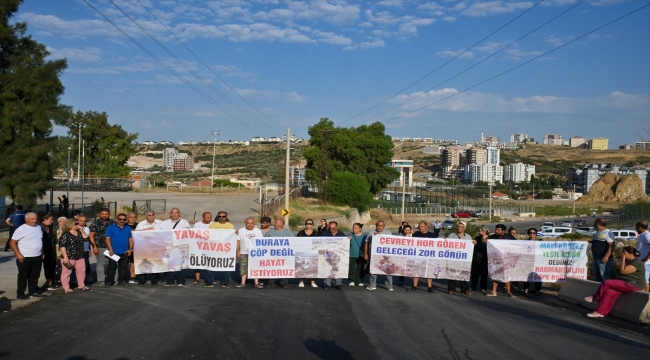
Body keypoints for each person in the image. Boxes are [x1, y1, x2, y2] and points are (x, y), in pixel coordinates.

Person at [585, 246, 647, 318]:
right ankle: (600, 312)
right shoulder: (627, 260)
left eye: (624, 252)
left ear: (631, 254)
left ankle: (596, 297)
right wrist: (624, 259)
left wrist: (623, 259)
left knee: (607, 282)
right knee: (609, 292)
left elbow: (623, 271)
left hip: (633, 284)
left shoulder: (637, 262)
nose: (622, 254)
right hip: (624, 282)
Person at [9, 212, 44, 299]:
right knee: (23, 275)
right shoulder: (21, 229)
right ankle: (20, 293)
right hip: (25, 257)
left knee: (35, 275)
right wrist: (18, 254)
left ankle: (33, 291)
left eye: (36, 219)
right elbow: (12, 242)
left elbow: (39, 240)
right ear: (26, 219)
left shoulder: (38, 227)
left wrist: (42, 252)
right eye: (32, 219)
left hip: (37, 256)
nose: (35, 220)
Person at [160, 208, 191, 286]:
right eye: (173, 213)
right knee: (170, 264)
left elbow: (189, 233)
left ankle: (181, 281)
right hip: (169, 247)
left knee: (180, 264)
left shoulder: (184, 222)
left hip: (180, 247)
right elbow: (154, 229)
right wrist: (139, 232)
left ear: (179, 214)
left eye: (176, 213)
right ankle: (170, 281)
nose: (174, 214)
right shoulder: (165, 223)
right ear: (170, 214)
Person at [59, 218, 90, 293]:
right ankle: (66, 287)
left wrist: (82, 230)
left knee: (81, 270)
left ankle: (81, 285)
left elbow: (86, 239)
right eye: (76, 224)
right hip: (69, 256)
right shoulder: (65, 234)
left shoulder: (79, 233)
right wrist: (65, 257)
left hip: (79, 255)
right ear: (70, 225)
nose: (78, 225)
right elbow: (62, 246)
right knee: (67, 272)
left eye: (78, 223)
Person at [486, 224, 516, 297]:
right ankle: (493, 292)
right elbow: (486, 242)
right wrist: (486, 235)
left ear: (503, 231)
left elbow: (516, 246)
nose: (496, 231)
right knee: (495, 275)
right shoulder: (493, 237)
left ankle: (508, 292)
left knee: (507, 276)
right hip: (495, 260)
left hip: (507, 260)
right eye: (496, 229)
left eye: (498, 230)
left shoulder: (509, 237)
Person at [104, 213, 134, 287]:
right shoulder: (111, 228)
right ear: (116, 219)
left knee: (123, 268)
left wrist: (130, 249)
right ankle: (109, 281)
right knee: (111, 268)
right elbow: (107, 239)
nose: (122, 221)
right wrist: (110, 249)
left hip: (125, 252)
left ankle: (122, 281)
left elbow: (131, 239)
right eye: (120, 219)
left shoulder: (129, 228)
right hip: (113, 252)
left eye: (124, 219)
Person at [134, 210, 163, 285]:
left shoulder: (160, 222)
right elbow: (137, 234)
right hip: (144, 246)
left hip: (156, 246)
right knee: (143, 263)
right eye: (149, 215)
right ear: (146, 216)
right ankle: (142, 280)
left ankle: (154, 280)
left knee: (155, 262)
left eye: (152, 215)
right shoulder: (141, 224)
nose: (151, 216)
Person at [364, 220, 394, 291]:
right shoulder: (371, 233)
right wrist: (366, 253)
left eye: (381, 226)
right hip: (374, 255)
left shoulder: (388, 233)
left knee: (388, 271)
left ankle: (389, 286)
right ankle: (372, 285)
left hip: (386, 255)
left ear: (384, 226)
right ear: (376, 226)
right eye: (378, 226)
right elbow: (366, 243)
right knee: (373, 271)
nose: (380, 227)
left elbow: (392, 242)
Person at [208, 211, 235, 288]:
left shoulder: (230, 226)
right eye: (219, 216)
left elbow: (231, 237)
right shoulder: (212, 225)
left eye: (223, 216)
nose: (221, 218)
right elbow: (209, 236)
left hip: (226, 249)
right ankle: (210, 281)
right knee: (211, 264)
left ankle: (225, 282)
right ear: (217, 217)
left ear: (226, 217)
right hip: (214, 249)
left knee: (226, 265)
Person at [89, 208, 115, 286]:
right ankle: (101, 280)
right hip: (100, 246)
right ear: (99, 214)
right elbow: (91, 236)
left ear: (109, 214)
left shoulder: (113, 223)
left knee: (114, 263)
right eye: (102, 214)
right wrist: (94, 247)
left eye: (106, 214)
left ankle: (114, 279)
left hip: (112, 246)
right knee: (101, 264)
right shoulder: (95, 223)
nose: (104, 215)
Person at [265, 218, 294, 289]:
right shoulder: (270, 232)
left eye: (275, 222)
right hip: (272, 255)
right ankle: (270, 282)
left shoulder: (288, 233)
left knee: (284, 269)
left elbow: (293, 243)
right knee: (272, 268)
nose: (274, 224)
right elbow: (264, 242)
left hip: (284, 255)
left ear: (281, 224)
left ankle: (284, 283)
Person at [235, 217, 264, 288]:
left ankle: (256, 283)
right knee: (243, 267)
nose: (250, 225)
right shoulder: (241, 231)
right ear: (245, 223)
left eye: (251, 223)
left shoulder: (258, 231)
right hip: (243, 252)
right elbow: (238, 241)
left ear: (254, 224)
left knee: (255, 267)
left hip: (255, 253)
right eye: (248, 223)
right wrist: (237, 251)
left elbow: (261, 242)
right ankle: (242, 283)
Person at [447, 221, 472, 295]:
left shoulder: (468, 237)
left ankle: (464, 289)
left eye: (461, 226)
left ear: (464, 228)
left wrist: (474, 243)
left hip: (463, 259)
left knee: (463, 274)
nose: (459, 228)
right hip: (453, 258)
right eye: (458, 226)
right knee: (452, 274)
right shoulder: (451, 235)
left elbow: (470, 247)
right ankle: (451, 289)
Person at [411, 221, 436, 293]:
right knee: (416, 271)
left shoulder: (432, 235)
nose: (420, 228)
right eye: (419, 227)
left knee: (429, 272)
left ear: (426, 227)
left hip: (428, 257)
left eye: (422, 226)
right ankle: (414, 286)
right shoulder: (415, 234)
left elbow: (437, 245)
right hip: (417, 256)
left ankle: (430, 287)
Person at [321, 221, 346, 290]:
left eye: (333, 229)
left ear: (336, 227)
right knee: (327, 268)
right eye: (330, 228)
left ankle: (338, 284)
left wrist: (348, 240)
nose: (331, 230)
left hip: (338, 254)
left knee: (337, 267)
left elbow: (345, 244)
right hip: (328, 254)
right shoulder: (324, 234)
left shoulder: (341, 234)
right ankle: (327, 284)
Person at [296, 218, 319, 288]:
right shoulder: (300, 233)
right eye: (307, 223)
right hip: (302, 252)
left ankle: (312, 281)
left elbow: (318, 242)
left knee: (312, 267)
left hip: (312, 253)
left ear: (313, 225)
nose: (308, 225)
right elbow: (296, 241)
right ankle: (301, 281)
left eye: (310, 224)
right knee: (302, 266)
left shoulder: (316, 233)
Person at [191, 212, 213, 285]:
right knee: (197, 263)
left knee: (210, 262)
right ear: (203, 217)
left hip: (210, 247)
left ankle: (210, 279)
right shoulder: (197, 225)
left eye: (210, 217)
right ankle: (197, 278)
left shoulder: (213, 224)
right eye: (207, 217)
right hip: (199, 246)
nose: (209, 219)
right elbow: (193, 235)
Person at [591, 218, 614, 282]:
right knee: (597, 276)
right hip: (596, 257)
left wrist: (606, 256)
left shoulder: (608, 233)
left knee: (604, 276)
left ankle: (608, 290)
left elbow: (611, 245)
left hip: (603, 258)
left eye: (595, 222)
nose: (594, 224)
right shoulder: (597, 232)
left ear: (598, 224)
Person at [40, 214, 57, 291]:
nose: (52, 221)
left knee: (50, 267)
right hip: (41, 250)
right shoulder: (39, 227)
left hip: (50, 249)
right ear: (45, 219)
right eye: (51, 219)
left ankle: (50, 283)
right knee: (37, 269)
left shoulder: (51, 227)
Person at [523, 228, 542, 295]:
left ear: (536, 234)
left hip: (537, 261)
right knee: (527, 275)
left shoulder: (540, 242)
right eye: (530, 232)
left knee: (537, 275)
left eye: (534, 233)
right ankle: (526, 288)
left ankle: (537, 289)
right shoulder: (524, 242)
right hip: (528, 260)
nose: (532, 234)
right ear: (528, 234)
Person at [471, 227, 489, 293]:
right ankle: (473, 286)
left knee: (484, 274)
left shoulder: (489, 239)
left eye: (480, 231)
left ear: (484, 231)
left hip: (485, 259)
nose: (478, 232)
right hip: (476, 258)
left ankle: (483, 287)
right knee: (475, 273)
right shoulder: (477, 238)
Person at [348, 223, 366, 287]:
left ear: (360, 229)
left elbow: (366, 245)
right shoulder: (350, 236)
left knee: (360, 268)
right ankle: (351, 280)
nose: (353, 229)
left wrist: (365, 254)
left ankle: (360, 281)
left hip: (360, 255)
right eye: (353, 227)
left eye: (355, 228)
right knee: (351, 268)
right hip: (352, 255)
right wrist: (348, 240)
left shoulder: (364, 236)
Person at [635, 221, 650, 292]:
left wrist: (647, 258)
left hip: (645, 262)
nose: (636, 229)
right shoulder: (643, 235)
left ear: (639, 227)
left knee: (645, 279)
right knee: (641, 278)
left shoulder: (647, 235)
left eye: (636, 227)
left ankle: (646, 296)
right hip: (641, 260)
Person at [126, 212, 138, 284]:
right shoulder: (124, 225)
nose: (133, 219)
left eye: (134, 217)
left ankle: (133, 277)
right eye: (131, 217)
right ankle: (123, 278)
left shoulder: (139, 225)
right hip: (126, 247)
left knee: (133, 263)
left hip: (137, 247)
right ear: (128, 218)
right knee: (124, 263)